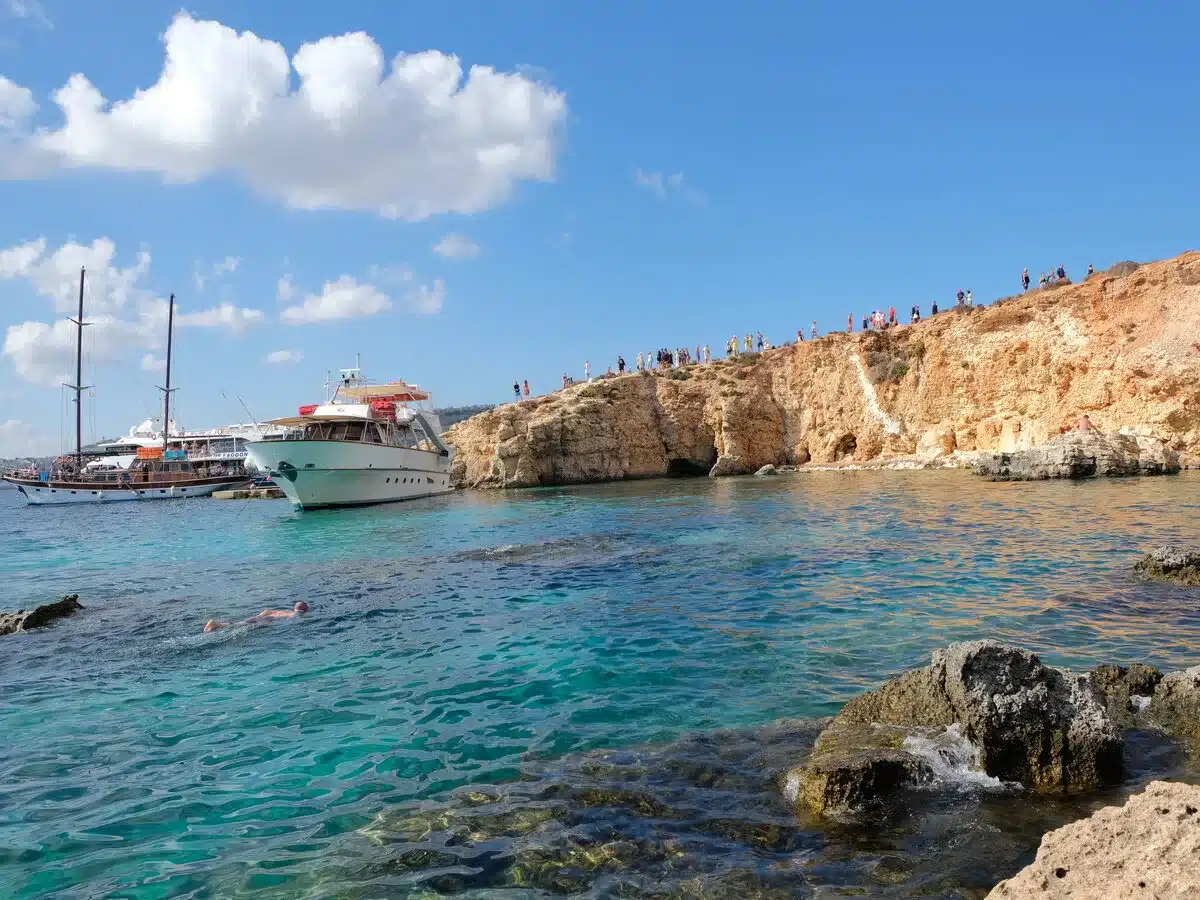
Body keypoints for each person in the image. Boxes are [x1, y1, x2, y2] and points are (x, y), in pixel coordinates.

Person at [205, 601, 310, 633]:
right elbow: (293, 619)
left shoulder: (282, 611)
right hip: (267, 620)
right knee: (240, 627)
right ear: (304, 610)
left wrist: (258, 616)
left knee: (240, 623)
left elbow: (266, 611)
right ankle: (215, 625)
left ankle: (216, 624)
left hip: (260, 617)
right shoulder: (295, 614)